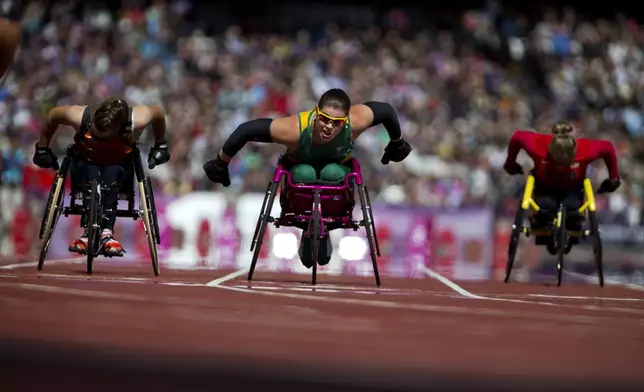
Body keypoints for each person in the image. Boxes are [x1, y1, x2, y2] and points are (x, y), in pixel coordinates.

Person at [202, 88, 412, 268]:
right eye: (324, 119)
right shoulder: (294, 128)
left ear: (345, 120)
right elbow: (245, 130)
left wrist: (398, 142)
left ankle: (325, 227)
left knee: (332, 173)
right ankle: (307, 227)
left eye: (337, 122)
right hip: (299, 181)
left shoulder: (355, 121)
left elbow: (386, 110)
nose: (329, 127)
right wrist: (221, 162)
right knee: (305, 173)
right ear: (316, 113)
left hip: (336, 181)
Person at [32, 98, 171, 255]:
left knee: (112, 173)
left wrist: (161, 145)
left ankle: (107, 232)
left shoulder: (136, 119)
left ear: (119, 127)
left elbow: (158, 113)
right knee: (90, 173)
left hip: (118, 166)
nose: (101, 137)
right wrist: (42, 147)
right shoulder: (80, 116)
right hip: (86, 163)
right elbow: (53, 115)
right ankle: (87, 233)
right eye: (97, 131)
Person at [503, 121, 621, 254]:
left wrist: (614, 178)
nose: (561, 167)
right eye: (558, 163)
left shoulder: (584, 149)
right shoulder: (539, 145)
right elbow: (517, 137)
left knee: (572, 211)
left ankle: (569, 226)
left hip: (572, 188)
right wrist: (510, 163)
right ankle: (543, 223)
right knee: (545, 208)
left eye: (566, 163)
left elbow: (608, 148)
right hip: (545, 187)